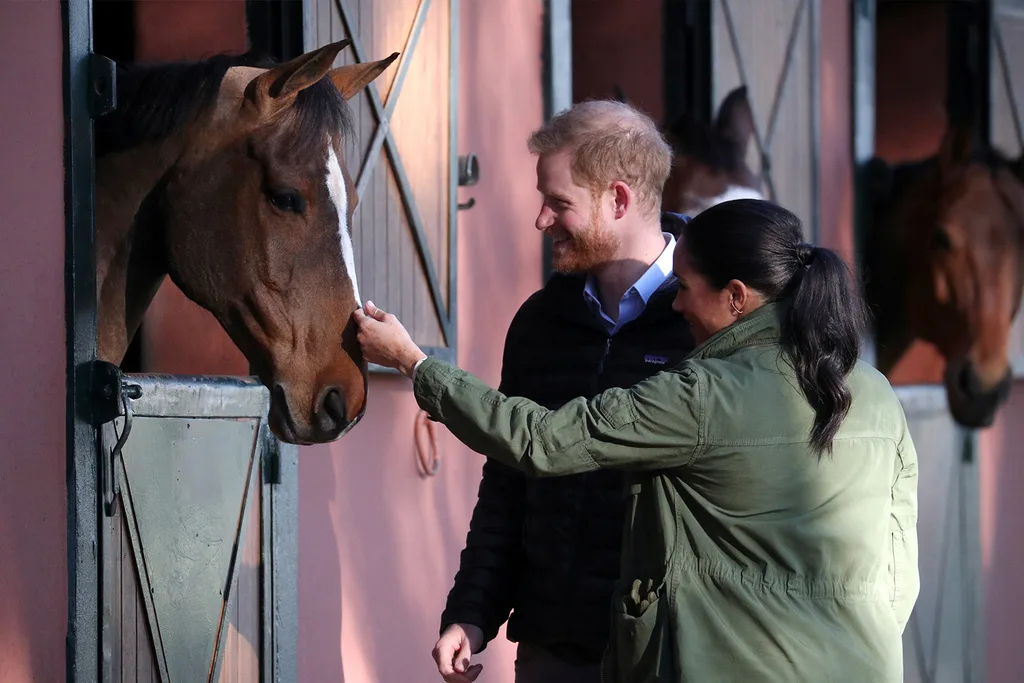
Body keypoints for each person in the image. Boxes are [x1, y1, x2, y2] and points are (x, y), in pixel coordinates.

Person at [354, 198, 920, 683]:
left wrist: (414, 363)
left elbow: (543, 440)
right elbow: (900, 568)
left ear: (737, 297)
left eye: (687, 289)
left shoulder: (704, 394)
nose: (674, 305)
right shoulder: (873, 390)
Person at [425, 99, 695, 683]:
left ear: (618, 199)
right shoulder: (539, 323)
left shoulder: (706, 323)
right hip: (551, 652)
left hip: (666, 658)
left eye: (558, 202)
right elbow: (507, 486)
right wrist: (471, 616)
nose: (541, 220)